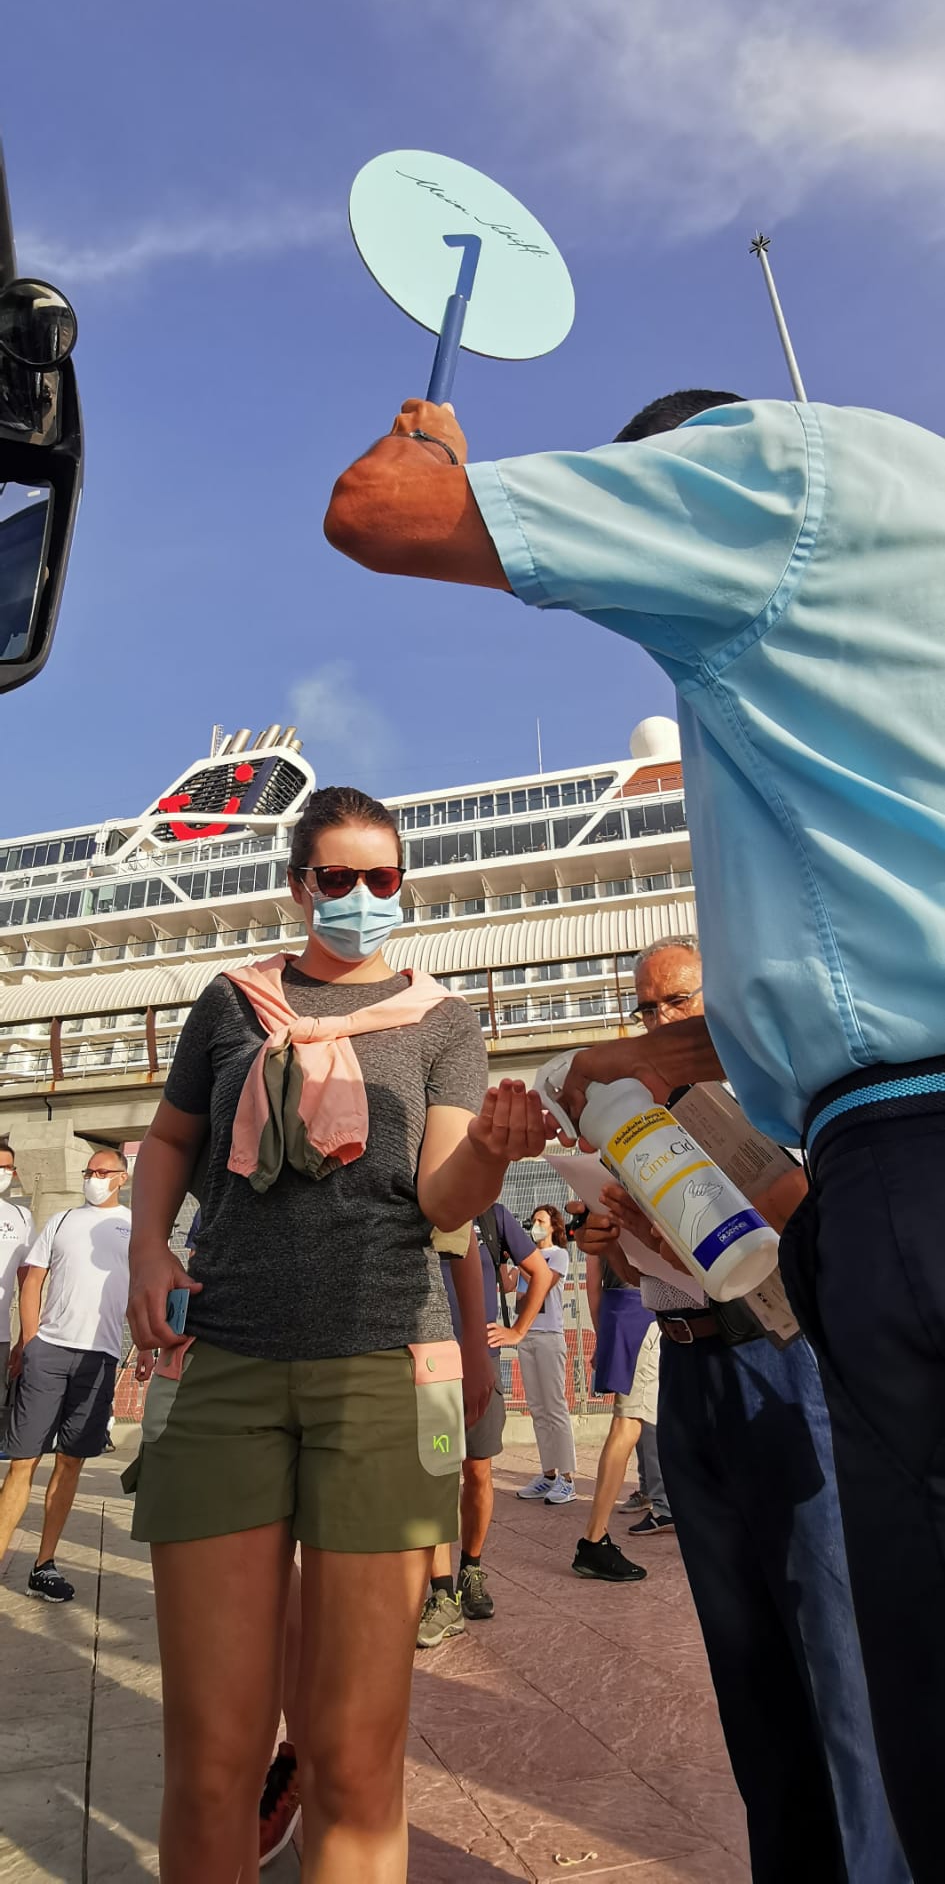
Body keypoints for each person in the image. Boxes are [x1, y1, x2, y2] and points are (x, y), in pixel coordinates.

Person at [324, 385, 945, 1877]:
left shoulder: (768, 472)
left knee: (902, 1716)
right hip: (790, 1270)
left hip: (901, 1161)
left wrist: (437, 451)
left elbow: (377, 515)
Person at [124, 784, 551, 1884]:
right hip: (224, 1362)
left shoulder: (445, 1021)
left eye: (383, 877)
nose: (363, 896)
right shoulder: (232, 1003)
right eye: (339, 877)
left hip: (380, 1369)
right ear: (299, 882)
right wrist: (148, 1249)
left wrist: (497, 1154)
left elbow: (446, 1199)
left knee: (357, 1762)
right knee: (212, 1759)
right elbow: (170, 1137)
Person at [572, 940, 908, 1884]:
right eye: (644, 1010)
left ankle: (873, 1865)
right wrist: (616, 1240)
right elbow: (645, 1273)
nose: (660, 1025)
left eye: (676, 1003)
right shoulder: (629, 1119)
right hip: (688, 1376)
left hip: (783, 1365)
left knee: (832, 1652)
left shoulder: (769, 1092)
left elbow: (810, 1230)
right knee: (745, 1662)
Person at [0, 1147, 131, 1601]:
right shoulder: (60, 1221)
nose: (94, 1178)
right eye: (89, 1171)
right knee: (22, 1462)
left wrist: (149, 1348)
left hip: (99, 1357)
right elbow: (33, 1278)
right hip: (49, 1351)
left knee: (71, 1461)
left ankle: (43, 1566)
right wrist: (31, 1340)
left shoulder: (134, 1227)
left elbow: (143, 1287)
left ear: (122, 1177)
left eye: (103, 1172)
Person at [418, 1204, 552, 1647]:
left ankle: (471, 1570)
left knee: (478, 1471)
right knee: (435, 1477)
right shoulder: (416, 1202)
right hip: (428, 1365)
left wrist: (516, 1331)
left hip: (481, 1367)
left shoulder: (493, 1217)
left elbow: (541, 1274)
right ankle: (441, 1596)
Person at [571, 1256, 655, 1583]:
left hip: (623, 1311)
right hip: (645, 1312)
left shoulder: (599, 1208)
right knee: (628, 1425)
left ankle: (595, 1538)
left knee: (628, 1425)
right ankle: (594, 1538)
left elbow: (594, 1279)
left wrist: (604, 1331)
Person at [494, 1205, 575, 1504]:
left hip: (549, 1337)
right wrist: (502, 1258)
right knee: (538, 1409)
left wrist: (522, 1256)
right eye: (532, 1221)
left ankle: (567, 1478)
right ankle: (548, 1473)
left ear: (553, 1226)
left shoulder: (558, 1256)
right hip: (526, 1336)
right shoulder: (525, 1258)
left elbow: (544, 1282)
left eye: (540, 1221)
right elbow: (507, 1284)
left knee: (555, 1407)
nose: (534, 1226)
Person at [0, 1138, 33, 1449]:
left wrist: (24, 1337)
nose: (3, 1173)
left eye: (7, 1167)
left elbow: (29, 1283)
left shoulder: (20, 1218)